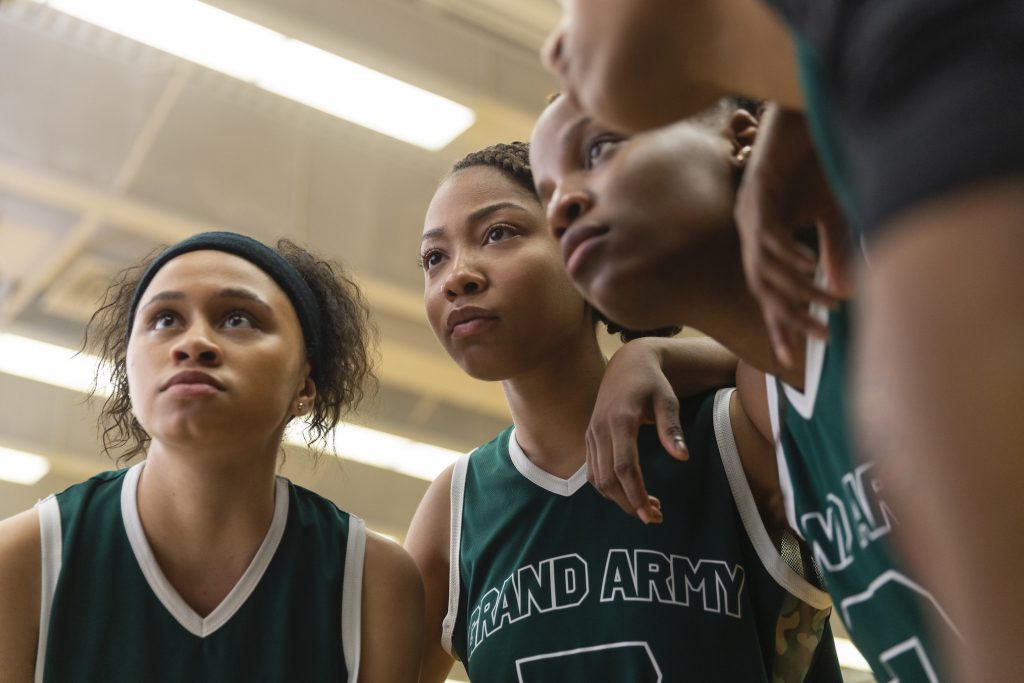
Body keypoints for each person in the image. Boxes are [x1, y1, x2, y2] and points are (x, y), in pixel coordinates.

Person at [543, 4, 1024, 679]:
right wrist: (648, 352)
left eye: (598, 150)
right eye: (545, 197)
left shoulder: (906, 173)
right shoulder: (766, 403)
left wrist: (808, 107)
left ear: (741, 137)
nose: (561, 204)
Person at [404, 142, 842, 682]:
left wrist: (656, 352)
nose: (457, 276)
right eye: (433, 258)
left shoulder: (729, 432)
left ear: (584, 251)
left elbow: (823, 353)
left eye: (499, 233)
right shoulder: (455, 507)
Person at [0, 231, 424, 682]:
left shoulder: (373, 581)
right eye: (165, 320)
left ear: (305, 383)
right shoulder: (22, 560)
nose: (193, 343)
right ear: (128, 367)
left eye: (238, 318)